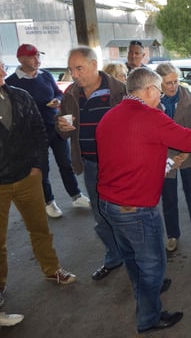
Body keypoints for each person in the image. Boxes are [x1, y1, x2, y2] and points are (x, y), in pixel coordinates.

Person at [95, 67, 191, 334]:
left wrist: (165, 162)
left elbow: (131, 156)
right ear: (148, 90)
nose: (161, 97)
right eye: (159, 92)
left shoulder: (110, 116)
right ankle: (149, 318)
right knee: (153, 265)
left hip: (109, 204)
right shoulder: (150, 116)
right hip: (135, 208)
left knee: (132, 257)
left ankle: (146, 290)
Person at [0, 59, 76, 300]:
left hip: (27, 176)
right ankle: (0, 287)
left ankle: (52, 269)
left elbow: (38, 131)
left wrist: (38, 166)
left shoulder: (20, 95)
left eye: (1, 65)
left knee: (40, 228)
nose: (2, 71)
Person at [56, 46, 126, 281]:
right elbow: (63, 132)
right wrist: (61, 127)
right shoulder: (70, 94)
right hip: (90, 165)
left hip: (118, 165)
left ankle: (137, 260)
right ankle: (114, 256)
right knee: (100, 214)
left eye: (79, 68)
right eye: (71, 69)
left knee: (126, 214)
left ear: (94, 65)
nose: (74, 74)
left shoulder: (119, 91)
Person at [6, 44, 91, 219]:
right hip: (33, 134)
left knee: (65, 163)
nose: (37, 60)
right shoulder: (11, 82)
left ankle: (75, 195)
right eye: (32, 57)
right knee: (42, 168)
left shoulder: (45, 75)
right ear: (21, 60)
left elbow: (59, 93)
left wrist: (57, 100)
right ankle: (49, 201)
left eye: (38, 56)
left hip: (55, 127)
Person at [155, 63, 191, 254]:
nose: (173, 86)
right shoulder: (152, 101)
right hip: (164, 157)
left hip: (189, 154)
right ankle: (172, 235)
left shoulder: (187, 97)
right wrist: (170, 158)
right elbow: (152, 134)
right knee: (169, 199)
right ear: (159, 83)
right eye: (168, 83)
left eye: (175, 81)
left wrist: (186, 152)